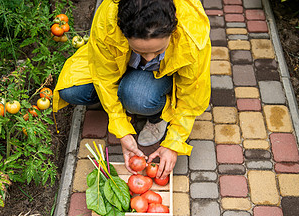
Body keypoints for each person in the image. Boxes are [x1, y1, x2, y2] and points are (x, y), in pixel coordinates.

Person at [53, 0, 211, 179]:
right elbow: (104, 76)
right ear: (122, 31)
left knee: (137, 97)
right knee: (72, 91)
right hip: (120, 63)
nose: (150, 58)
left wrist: (174, 143)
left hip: (164, 71)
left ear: (173, 27)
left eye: (159, 50)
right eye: (140, 51)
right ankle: (131, 90)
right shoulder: (108, 21)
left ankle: (159, 113)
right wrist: (122, 129)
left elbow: (192, 95)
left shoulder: (192, 34)